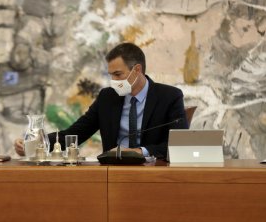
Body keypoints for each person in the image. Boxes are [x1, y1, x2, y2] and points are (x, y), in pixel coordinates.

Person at [14, 43, 188, 159]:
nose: (113, 80)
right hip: (112, 171)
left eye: (118, 74)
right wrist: (37, 144)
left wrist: (138, 152)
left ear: (137, 70)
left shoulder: (170, 97)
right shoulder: (108, 97)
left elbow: (177, 145)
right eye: (111, 74)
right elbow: (76, 132)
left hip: (155, 172)